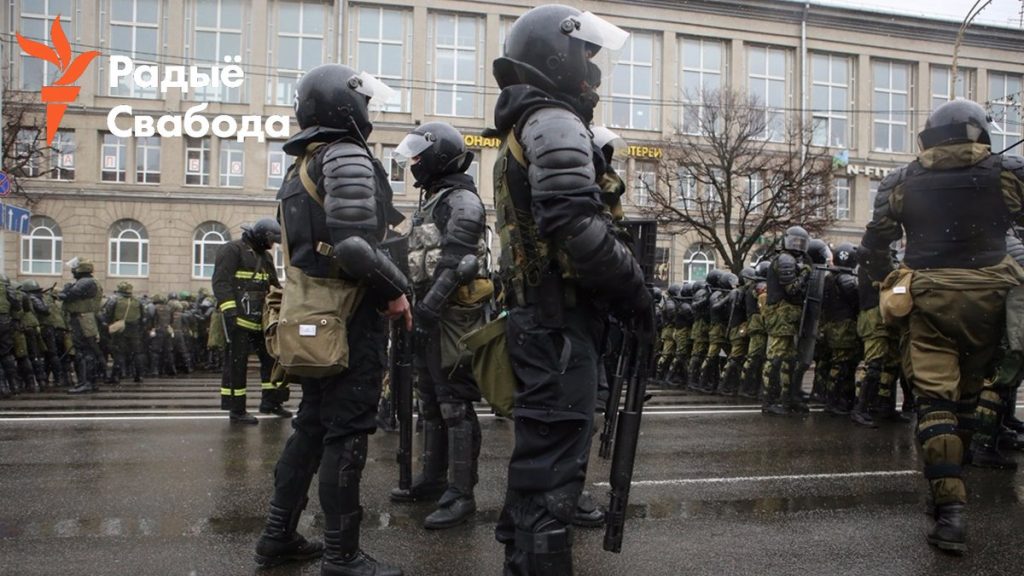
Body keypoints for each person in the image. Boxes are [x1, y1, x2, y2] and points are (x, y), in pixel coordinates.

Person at [491, 6, 650, 573]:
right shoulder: (552, 118)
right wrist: (637, 293)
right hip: (557, 325)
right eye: (586, 54)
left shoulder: (528, 121)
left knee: (541, 458)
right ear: (557, 55)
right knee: (555, 468)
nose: (594, 71)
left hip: (543, 321)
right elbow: (575, 224)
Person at [253, 63, 409, 576]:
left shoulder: (304, 163)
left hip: (312, 318)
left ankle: (278, 535)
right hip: (348, 318)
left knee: (312, 427)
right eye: (364, 102)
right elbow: (355, 246)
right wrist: (397, 293)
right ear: (347, 105)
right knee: (347, 432)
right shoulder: (345, 154)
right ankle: (342, 555)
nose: (369, 111)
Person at [858, 98, 1024, 554]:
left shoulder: (901, 180)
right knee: (968, 399)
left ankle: (951, 513)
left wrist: (880, 283)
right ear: (980, 132)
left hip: (928, 297)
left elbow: (876, 241)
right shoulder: (1009, 173)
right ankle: (954, 487)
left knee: (935, 403)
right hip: (992, 298)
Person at [387, 122, 490, 530]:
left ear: (438, 156)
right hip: (428, 311)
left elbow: (456, 263)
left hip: (454, 316)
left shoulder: (462, 200)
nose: (413, 163)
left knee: (453, 403)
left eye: (418, 155)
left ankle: (461, 493)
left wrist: (426, 311)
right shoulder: (435, 200)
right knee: (428, 400)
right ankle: (433, 478)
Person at [212, 217, 286, 424]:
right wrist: (230, 312)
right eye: (272, 241)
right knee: (237, 364)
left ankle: (271, 402)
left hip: (261, 320)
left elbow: (274, 285)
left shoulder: (265, 257)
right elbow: (221, 283)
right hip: (238, 319)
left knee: (272, 360)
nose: (273, 245)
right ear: (263, 236)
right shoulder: (232, 250)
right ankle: (236, 410)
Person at [761, 227, 811, 415]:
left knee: (788, 359)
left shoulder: (791, 259)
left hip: (788, 318)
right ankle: (769, 400)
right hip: (781, 316)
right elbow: (792, 289)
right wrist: (805, 273)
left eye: (801, 242)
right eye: (795, 241)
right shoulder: (785, 259)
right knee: (775, 358)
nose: (797, 246)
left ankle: (786, 398)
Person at [60, 258, 104, 395]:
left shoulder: (85, 282)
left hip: (82, 318)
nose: (72, 271)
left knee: (84, 352)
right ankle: (87, 382)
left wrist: (66, 290)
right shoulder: (88, 281)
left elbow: (67, 295)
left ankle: (87, 383)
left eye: (74, 269)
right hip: (84, 318)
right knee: (86, 351)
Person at [103, 281, 146, 384]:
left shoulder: (114, 300)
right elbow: (143, 317)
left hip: (120, 329)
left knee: (119, 353)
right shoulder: (137, 301)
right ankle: (139, 375)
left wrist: (109, 326)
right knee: (137, 353)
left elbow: (107, 315)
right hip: (134, 330)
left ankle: (116, 376)